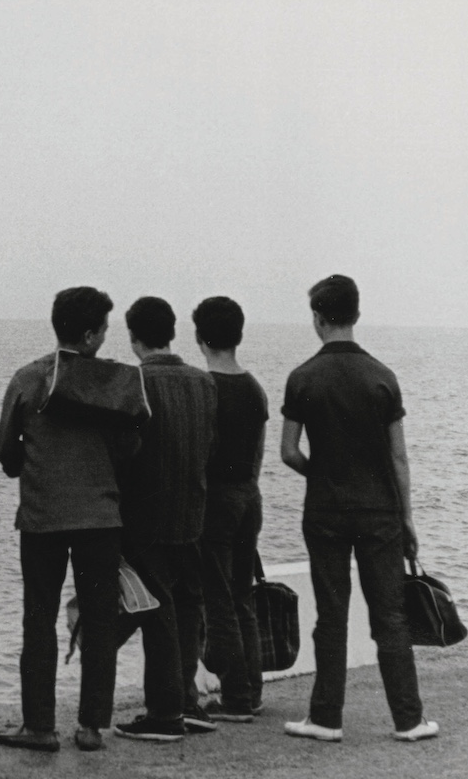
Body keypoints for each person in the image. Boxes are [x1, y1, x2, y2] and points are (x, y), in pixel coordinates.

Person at [279, 274, 437, 743]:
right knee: (389, 614)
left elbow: (288, 451)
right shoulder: (383, 377)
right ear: (356, 314)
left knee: (331, 613)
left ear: (317, 318)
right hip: (380, 512)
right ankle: (409, 720)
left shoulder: (302, 377)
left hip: (326, 509)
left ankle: (326, 718)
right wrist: (407, 519)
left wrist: (323, 474)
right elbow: (398, 458)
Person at [0, 287, 144, 753]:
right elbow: (131, 451)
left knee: (37, 617)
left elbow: (5, 451)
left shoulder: (27, 379)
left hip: (42, 518)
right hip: (101, 518)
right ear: (90, 335)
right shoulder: (115, 384)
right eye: (103, 328)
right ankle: (91, 726)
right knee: (99, 619)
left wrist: (30, 468)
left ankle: (39, 725)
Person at [113, 296, 218, 742]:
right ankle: (187, 702)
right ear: (172, 331)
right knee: (188, 605)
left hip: (147, 515)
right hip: (192, 510)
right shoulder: (203, 383)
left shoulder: (134, 382)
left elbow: (125, 454)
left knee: (156, 612)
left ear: (133, 336)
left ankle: (164, 713)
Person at [191, 297, 268, 723]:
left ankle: (236, 696)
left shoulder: (205, 389)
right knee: (242, 596)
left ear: (200, 337)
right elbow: (256, 454)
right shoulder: (254, 388)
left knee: (216, 597)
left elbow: (201, 454)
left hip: (216, 499)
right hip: (247, 497)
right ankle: (250, 691)